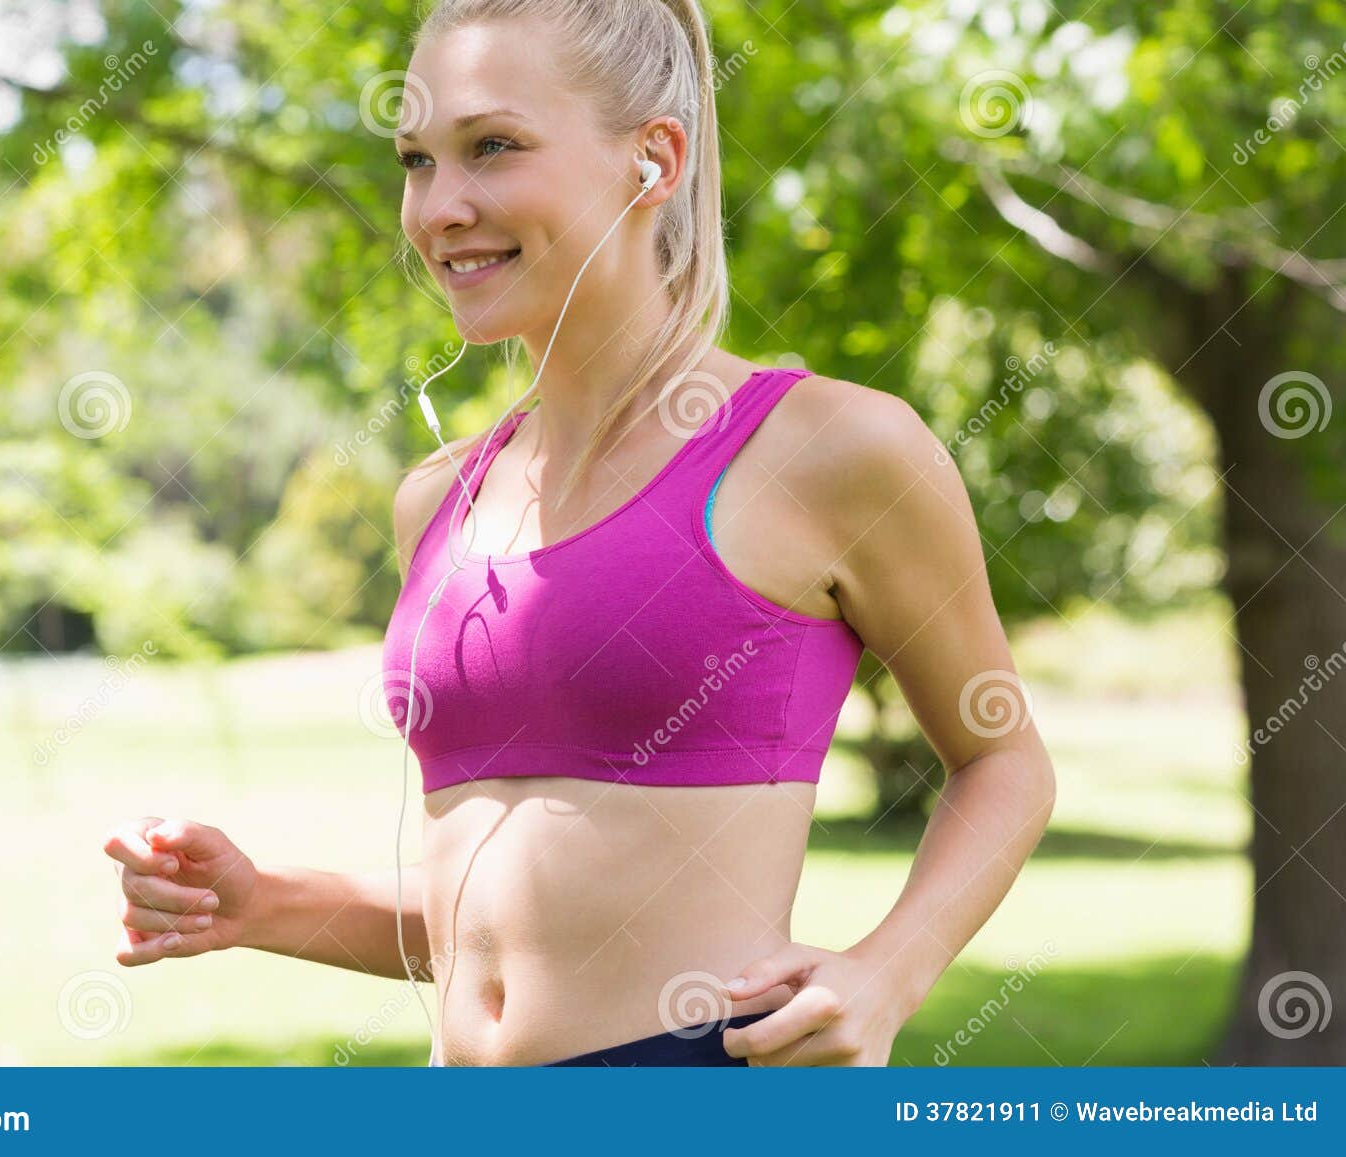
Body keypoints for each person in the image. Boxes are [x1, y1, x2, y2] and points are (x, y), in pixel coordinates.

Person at [102, 0, 1056, 1067]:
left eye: (491, 147)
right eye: (417, 160)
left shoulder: (829, 451)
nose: (439, 207)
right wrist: (268, 902)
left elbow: (1003, 756)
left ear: (651, 160)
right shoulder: (438, 498)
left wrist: (888, 969)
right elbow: (512, 910)